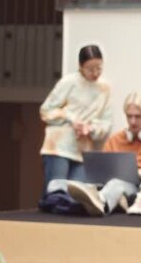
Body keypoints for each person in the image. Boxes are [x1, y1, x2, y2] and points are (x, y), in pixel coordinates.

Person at [65, 92, 141, 216]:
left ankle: (100, 203)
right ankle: (110, 200)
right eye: (129, 116)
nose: (133, 121)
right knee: (57, 183)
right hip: (111, 184)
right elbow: (102, 170)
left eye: (138, 116)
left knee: (117, 184)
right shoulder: (115, 139)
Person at [39, 44, 113, 193]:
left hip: (83, 148)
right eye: (90, 69)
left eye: (98, 68)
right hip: (59, 146)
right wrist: (71, 119)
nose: (95, 73)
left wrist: (90, 128)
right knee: (55, 193)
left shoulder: (104, 88)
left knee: (77, 195)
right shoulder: (69, 82)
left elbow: (106, 121)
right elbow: (46, 111)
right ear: (80, 67)